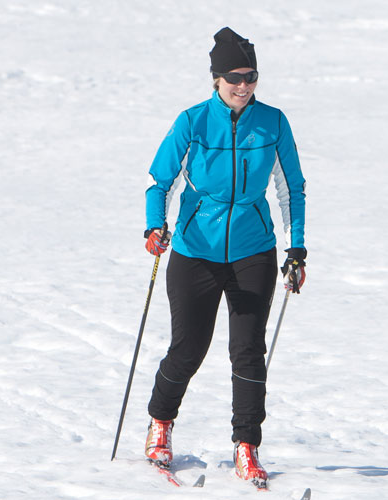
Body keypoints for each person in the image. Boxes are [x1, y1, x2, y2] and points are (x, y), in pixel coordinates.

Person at [140, 27, 307, 489]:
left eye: (251, 76)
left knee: (248, 351)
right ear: (216, 79)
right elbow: (160, 181)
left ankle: (246, 444)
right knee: (188, 349)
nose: (243, 85)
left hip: (253, 249)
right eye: (234, 77)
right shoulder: (193, 122)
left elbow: (291, 188)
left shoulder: (273, 122)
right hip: (196, 251)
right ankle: (160, 422)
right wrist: (155, 226)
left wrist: (296, 247)